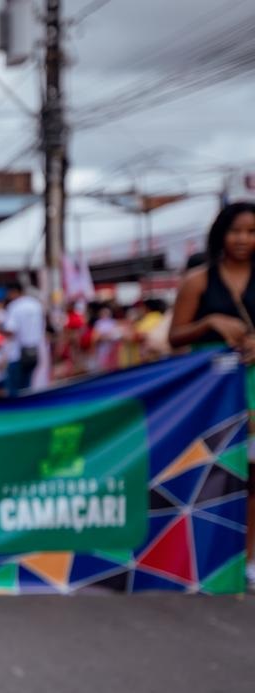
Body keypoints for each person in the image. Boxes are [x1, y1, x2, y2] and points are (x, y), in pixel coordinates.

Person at [168, 201, 255, 588]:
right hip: (212, 393)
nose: (243, 239)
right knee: (209, 473)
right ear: (221, 234)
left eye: (251, 232)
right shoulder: (198, 281)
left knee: (252, 477)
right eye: (236, 231)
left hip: (252, 389)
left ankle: (248, 559)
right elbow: (175, 336)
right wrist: (209, 322)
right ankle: (204, 554)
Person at [1, 280, 45, 396]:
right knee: (27, 389)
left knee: (14, 391)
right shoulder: (36, 305)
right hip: (34, 352)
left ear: (14, 292)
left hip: (17, 354)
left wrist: (0, 329)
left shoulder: (14, 306)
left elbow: (11, 330)